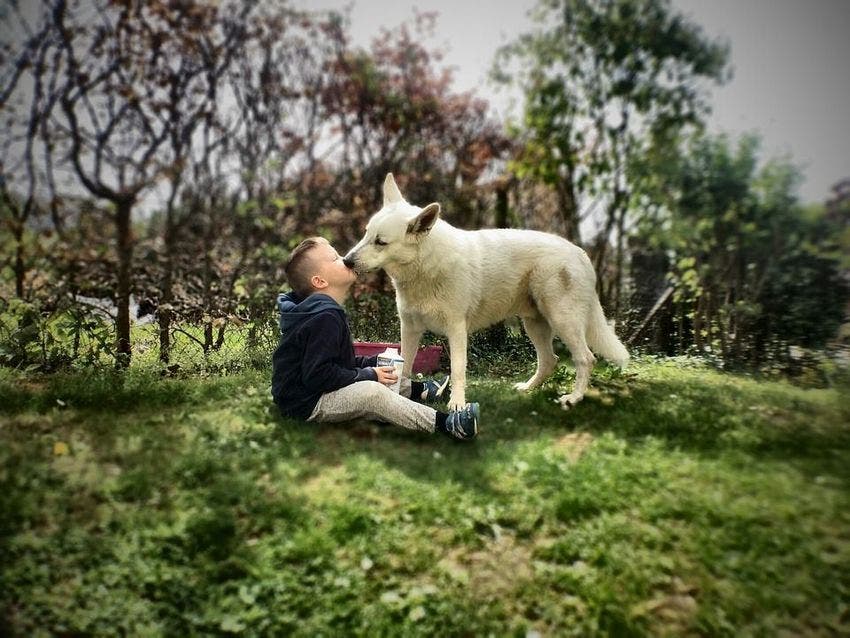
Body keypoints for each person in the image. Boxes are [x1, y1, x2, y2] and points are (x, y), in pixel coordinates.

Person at [271, 237, 478, 440]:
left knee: (382, 371)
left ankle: (422, 390)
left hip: (310, 391)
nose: (345, 258)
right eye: (335, 258)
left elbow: (339, 362)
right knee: (372, 393)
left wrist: (374, 363)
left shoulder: (321, 311)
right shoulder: (323, 317)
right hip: (306, 402)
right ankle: (450, 424)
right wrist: (369, 374)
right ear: (320, 281)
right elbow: (319, 376)